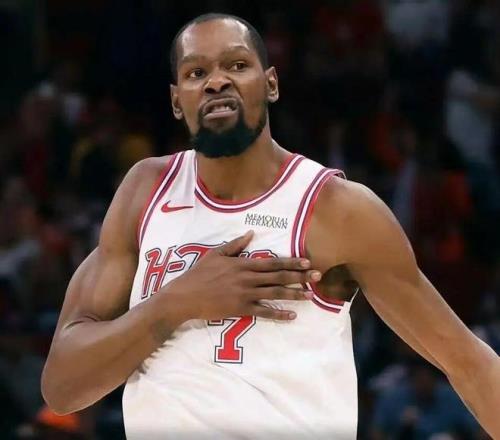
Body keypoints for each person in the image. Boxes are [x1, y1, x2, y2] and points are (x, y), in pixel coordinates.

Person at [41, 13, 500, 439]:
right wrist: (176, 303)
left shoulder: (336, 208)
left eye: (236, 65)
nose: (216, 81)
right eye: (196, 73)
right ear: (177, 101)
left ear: (271, 83)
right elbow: (63, 386)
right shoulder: (145, 190)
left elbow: (466, 360)